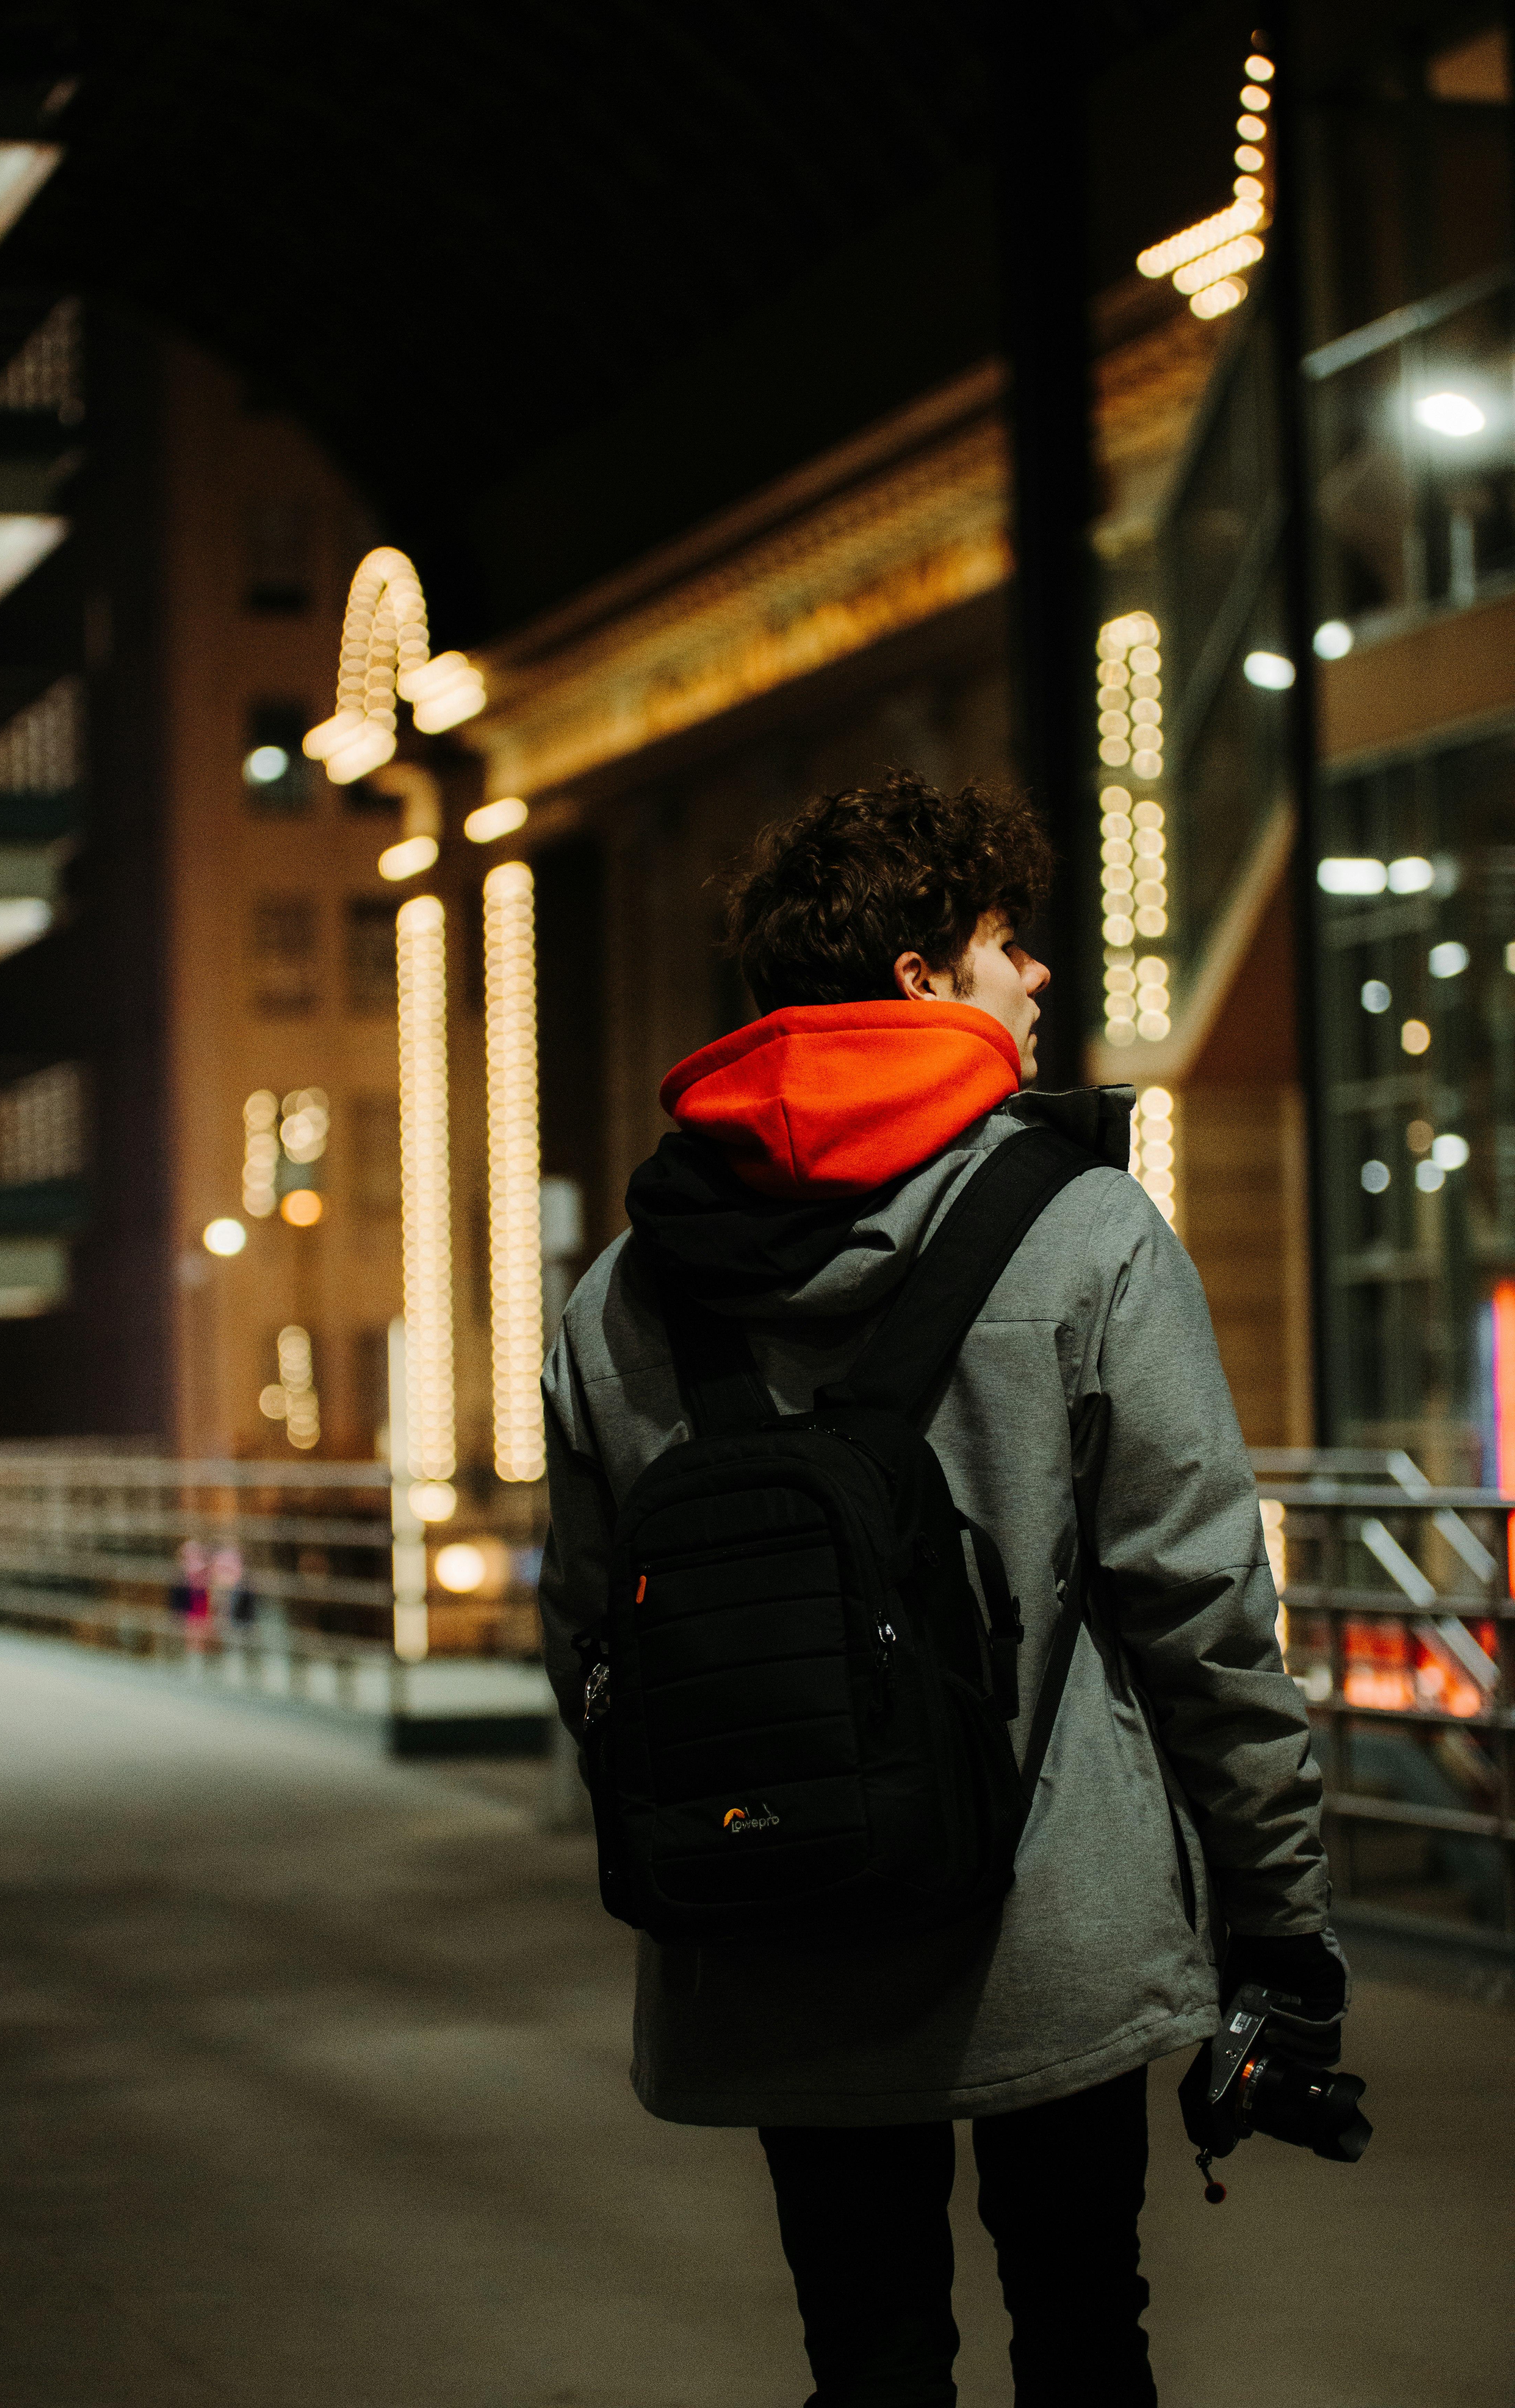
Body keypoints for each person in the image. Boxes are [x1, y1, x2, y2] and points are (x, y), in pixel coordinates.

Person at [538, 770, 1344, 2407]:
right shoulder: (1086, 1233)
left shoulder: (620, 1295)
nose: (1036, 975)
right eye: (1002, 943)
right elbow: (1202, 1618)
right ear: (921, 983)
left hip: (772, 1928)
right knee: (1080, 2331)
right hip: (1040, 1932)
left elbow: (583, 1641)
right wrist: (1283, 1918)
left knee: (866, 2358)